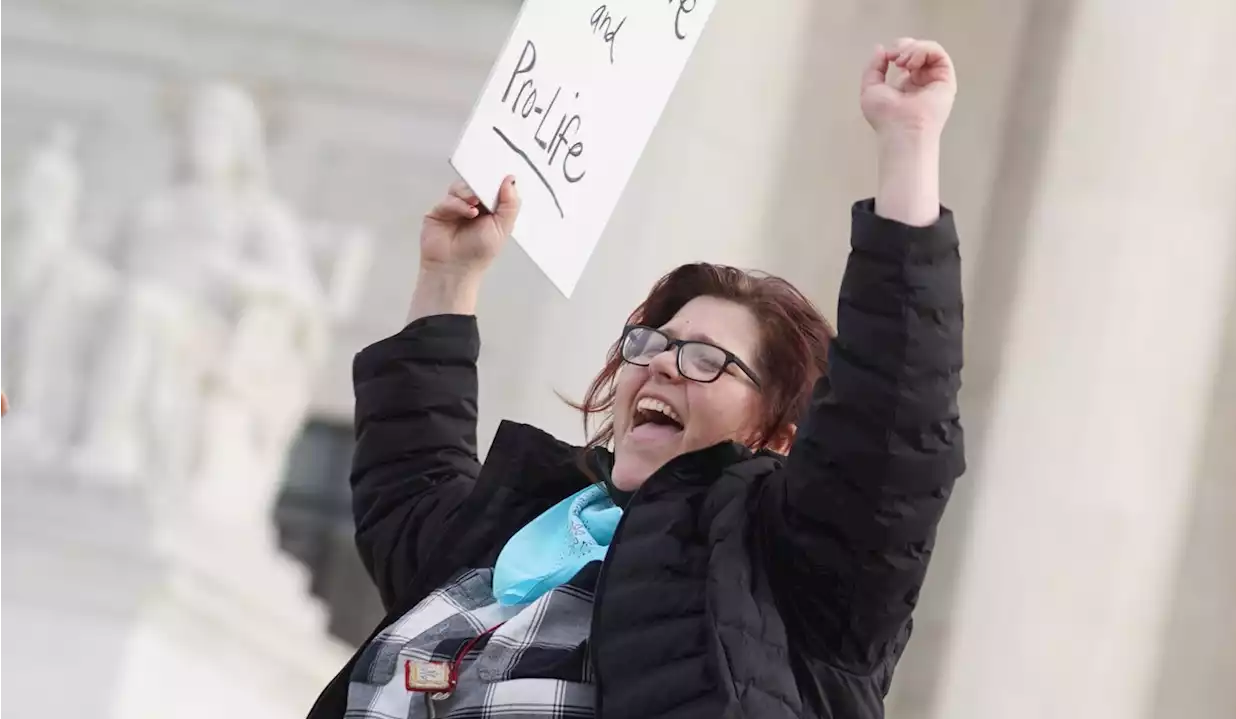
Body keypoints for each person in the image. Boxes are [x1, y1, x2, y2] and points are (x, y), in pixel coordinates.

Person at [309, 38, 965, 719]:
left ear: (775, 432)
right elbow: (410, 473)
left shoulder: (787, 570)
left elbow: (890, 426)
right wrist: (450, 276)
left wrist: (909, 145)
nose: (657, 363)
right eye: (653, 342)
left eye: (706, 358)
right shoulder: (530, 529)